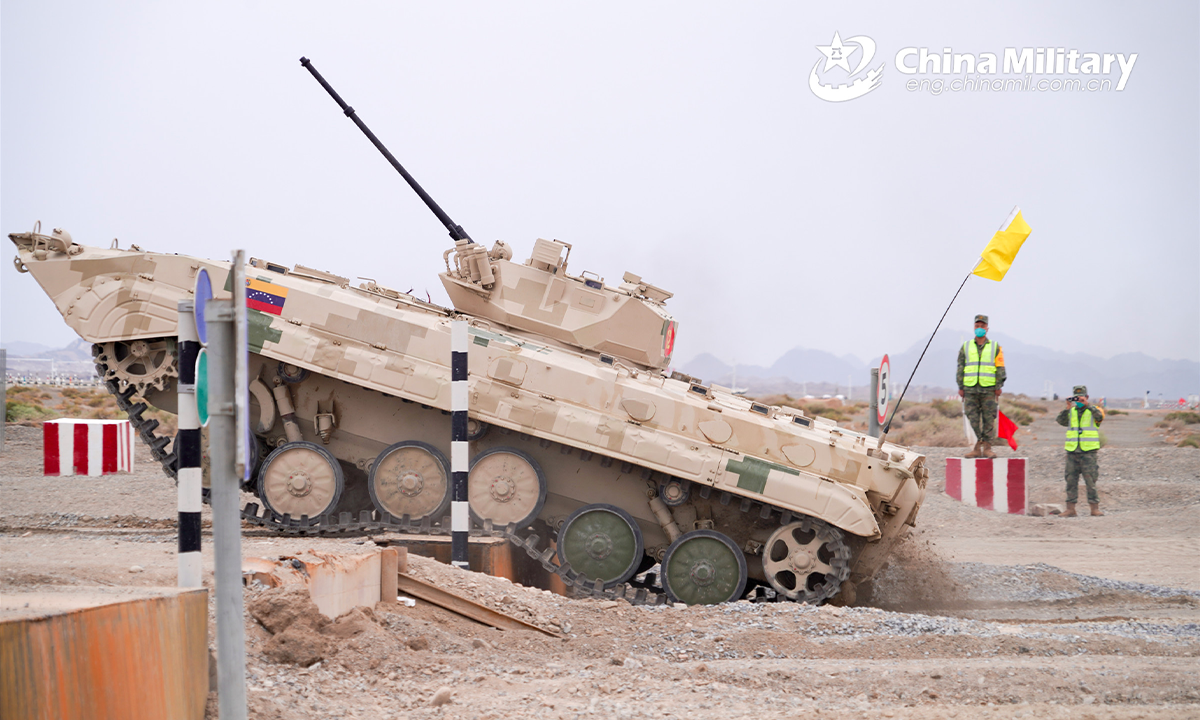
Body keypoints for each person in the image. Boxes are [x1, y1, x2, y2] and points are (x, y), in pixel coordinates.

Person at [957, 314, 1006, 458]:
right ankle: (977, 447)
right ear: (974, 327)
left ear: (987, 328)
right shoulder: (966, 347)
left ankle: (988, 448)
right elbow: (960, 367)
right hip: (970, 388)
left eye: (982, 326)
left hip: (989, 389)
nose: (979, 328)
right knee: (972, 417)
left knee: (988, 419)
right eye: (977, 326)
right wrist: (960, 386)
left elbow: (1000, 368)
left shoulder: (995, 347)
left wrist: (998, 385)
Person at [1056, 385, 1104, 517]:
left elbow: (1099, 417)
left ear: (1087, 397)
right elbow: (1061, 421)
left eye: (1081, 397)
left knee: (1090, 481)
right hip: (1072, 451)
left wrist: (1088, 405)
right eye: (1076, 398)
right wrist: (1067, 406)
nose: (1079, 400)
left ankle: (1094, 508)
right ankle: (1070, 509)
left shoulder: (1094, 410)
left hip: (1088, 452)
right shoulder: (1071, 411)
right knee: (1071, 481)